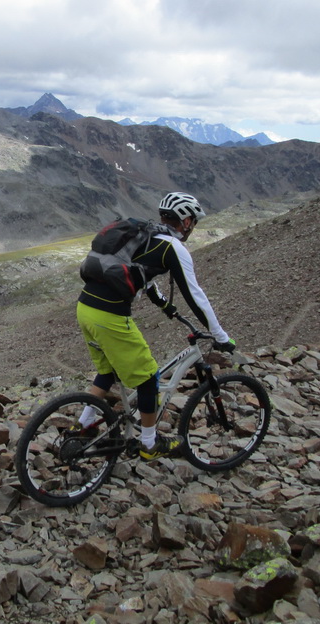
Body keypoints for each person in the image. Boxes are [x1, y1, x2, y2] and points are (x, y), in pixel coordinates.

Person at [73, 192, 235, 460]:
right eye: (193, 222)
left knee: (108, 371)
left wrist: (165, 306)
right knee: (149, 379)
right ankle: (149, 444)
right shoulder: (173, 247)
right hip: (109, 315)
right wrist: (221, 336)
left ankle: (82, 425)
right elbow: (195, 296)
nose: (192, 227)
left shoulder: (146, 235)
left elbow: (141, 274)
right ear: (186, 221)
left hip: (85, 308)